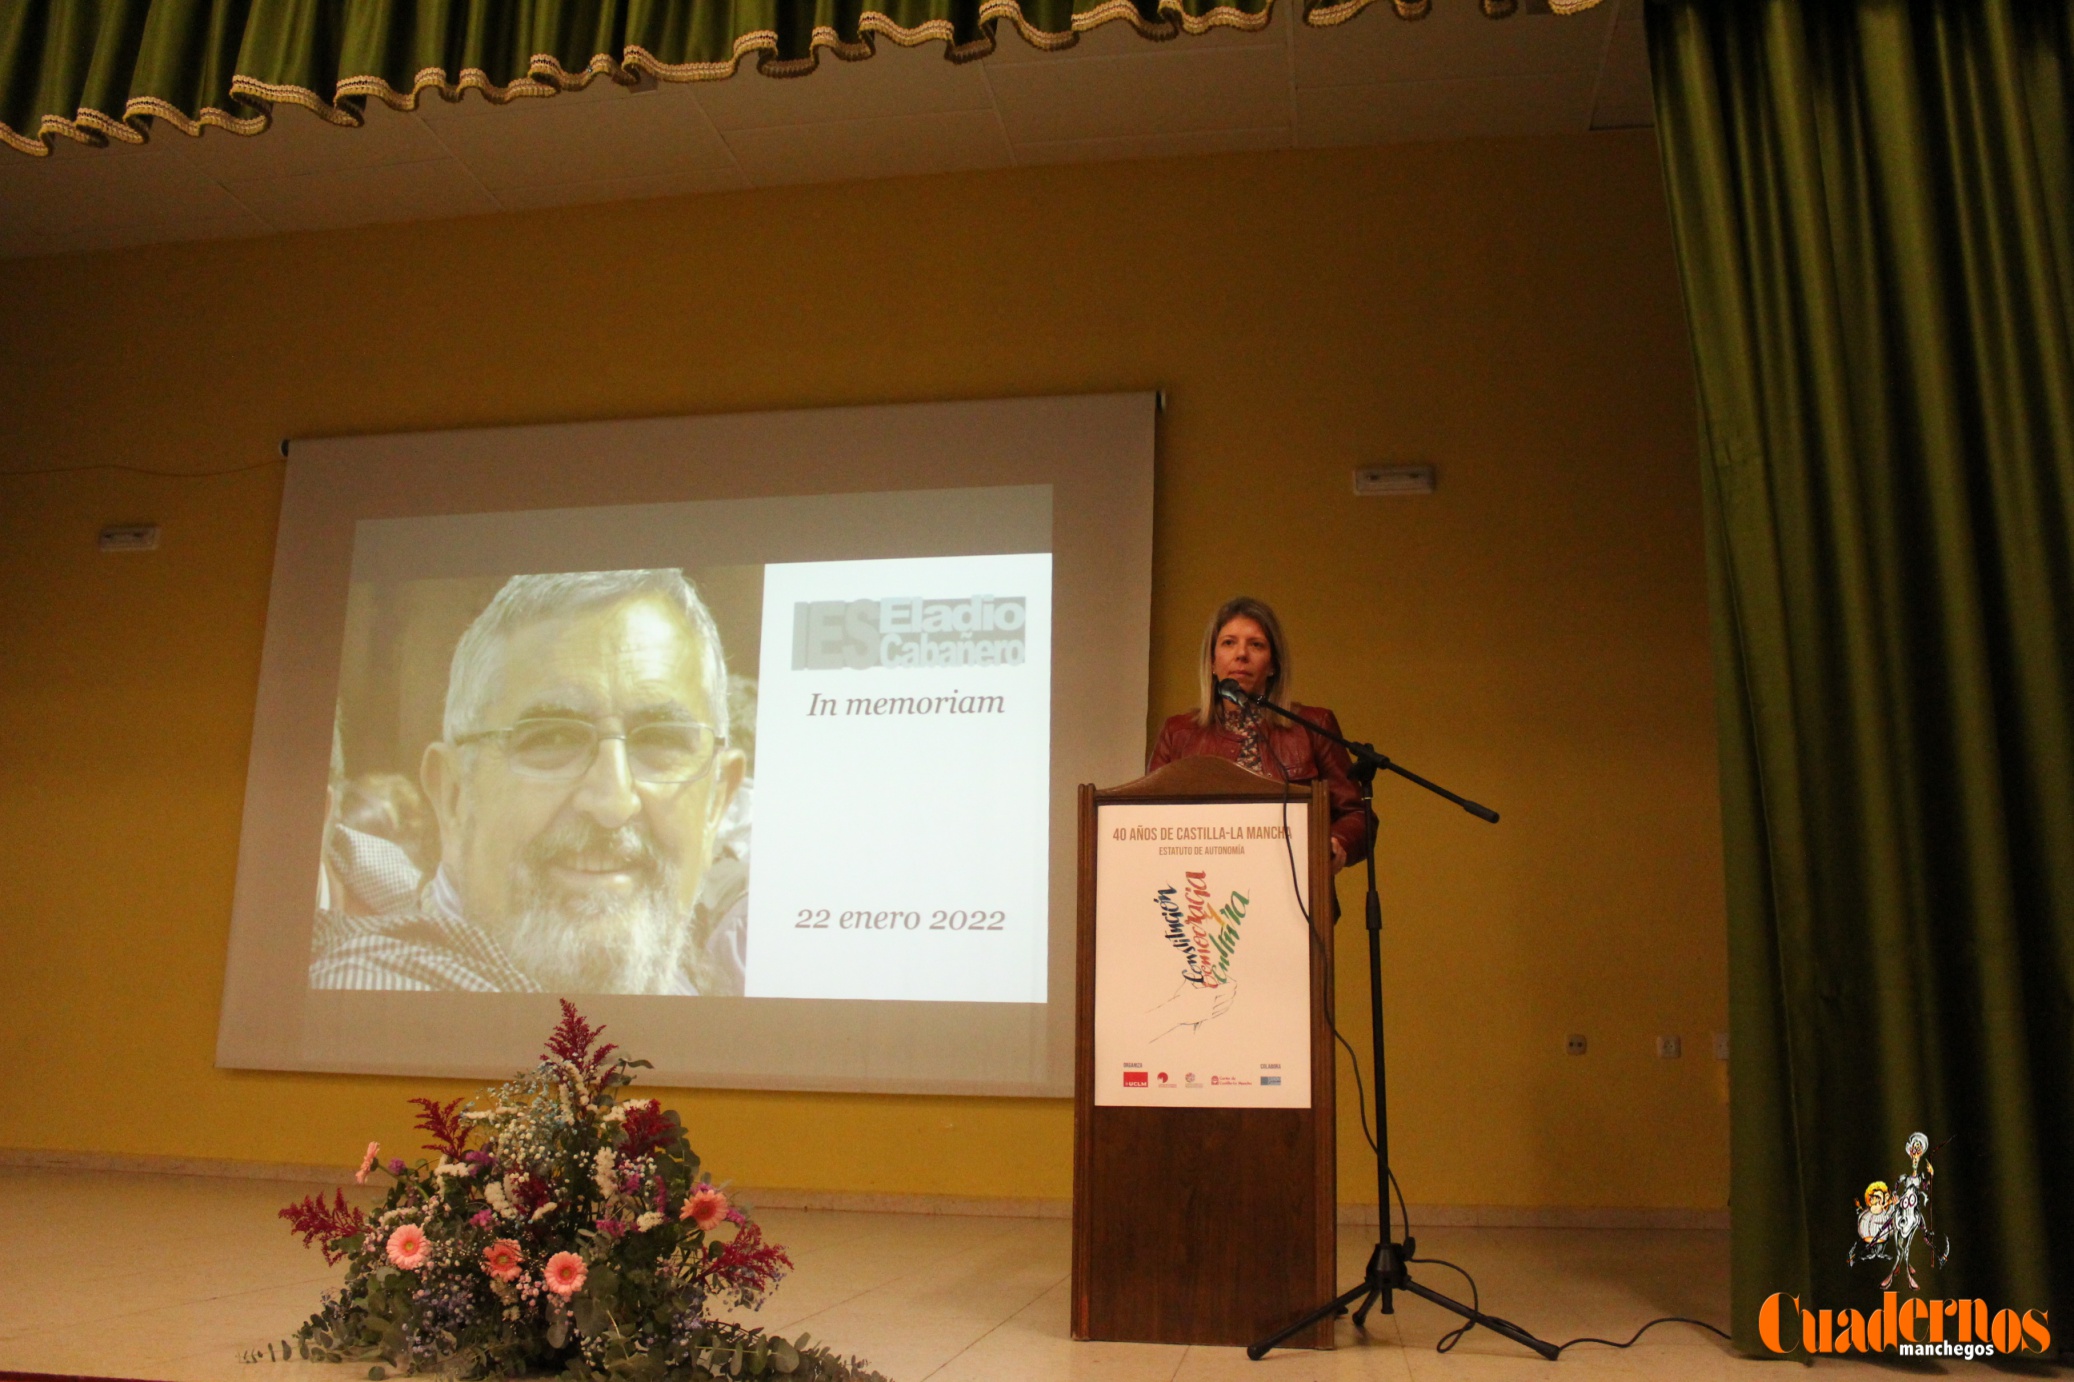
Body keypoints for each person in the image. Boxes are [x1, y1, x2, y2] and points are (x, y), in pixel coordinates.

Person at [310, 569, 748, 995]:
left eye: (661, 741)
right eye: (552, 738)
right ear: (454, 795)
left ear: (717, 803)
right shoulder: (377, 1001)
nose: (613, 802)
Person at [1147, 596, 1370, 873]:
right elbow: (1147, 820)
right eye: (1229, 643)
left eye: (1256, 644)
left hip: (1291, 889)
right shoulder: (1179, 733)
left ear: (1273, 664)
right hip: (1200, 892)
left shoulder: (1312, 726)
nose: (1241, 654)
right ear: (1212, 662)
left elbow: (1358, 814)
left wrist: (1337, 843)